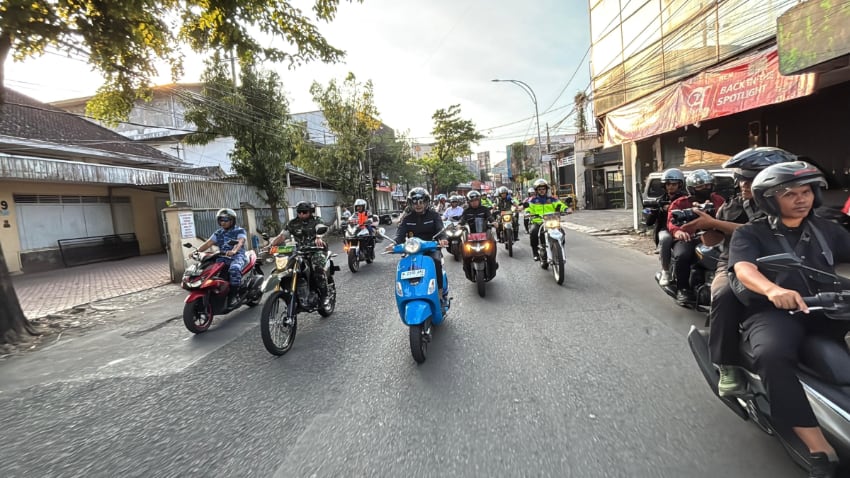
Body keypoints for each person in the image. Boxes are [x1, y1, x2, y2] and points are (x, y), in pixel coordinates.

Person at [729, 161, 850, 478]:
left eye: (807, 191)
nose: (801, 199)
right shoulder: (750, 233)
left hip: (828, 308)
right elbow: (744, 269)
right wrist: (772, 290)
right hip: (776, 313)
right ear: (770, 200)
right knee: (772, 355)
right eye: (790, 194)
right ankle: (818, 447)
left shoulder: (827, 229)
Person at [692, 147, 797, 396]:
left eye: (751, 179)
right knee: (725, 295)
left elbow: (762, 231)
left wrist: (715, 222)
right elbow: (710, 242)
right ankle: (726, 363)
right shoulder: (732, 206)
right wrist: (706, 224)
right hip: (734, 264)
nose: (743, 185)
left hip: (786, 264)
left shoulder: (788, 205)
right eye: (741, 179)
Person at [667, 169, 725, 304]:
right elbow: (671, 221)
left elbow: (727, 216)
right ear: (692, 188)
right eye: (700, 186)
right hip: (688, 236)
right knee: (683, 255)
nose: (705, 189)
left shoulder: (719, 200)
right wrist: (678, 232)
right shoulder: (680, 203)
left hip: (714, 234)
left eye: (707, 185)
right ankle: (682, 289)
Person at [390, 188, 449, 306]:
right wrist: (394, 243)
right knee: (405, 266)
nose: (418, 205)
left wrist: (443, 239)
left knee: (436, 261)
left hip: (431, 247)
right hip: (413, 250)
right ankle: (406, 293)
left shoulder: (434, 215)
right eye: (415, 202)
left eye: (421, 202)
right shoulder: (407, 219)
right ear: (411, 204)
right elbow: (400, 235)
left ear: (426, 202)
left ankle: (439, 292)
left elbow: (440, 229)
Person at [267, 201, 329, 300]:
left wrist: (318, 237)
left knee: (318, 270)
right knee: (285, 269)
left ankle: (325, 295)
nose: (301, 214)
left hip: (316, 250)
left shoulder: (317, 220)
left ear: (310, 212)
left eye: (304, 212)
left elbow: (320, 229)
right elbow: (283, 236)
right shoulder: (292, 223)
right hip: (299, 251)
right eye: (299, 212)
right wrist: (270, 245)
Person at [195, 208, 247, 308]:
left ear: (232, 220)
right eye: (221, 220)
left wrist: (234, 251)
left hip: (237, 256)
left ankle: (233, 296)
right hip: (221, 257)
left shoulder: (239, 230)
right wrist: (196, 251)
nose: (223, 222)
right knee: (208, 270)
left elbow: (240, 241)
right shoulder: (218, 233)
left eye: (226, 220)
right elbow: (208, 243)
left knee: (234, 269)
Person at [652, 168, 687, 286]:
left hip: (684, 228)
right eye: (668, 184)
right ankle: (665, 271)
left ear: (680, 184)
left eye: (674, 184)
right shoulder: (660, 200)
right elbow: (649, 222)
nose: (671, 187)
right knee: (666, 239)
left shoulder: (686, 199)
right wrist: (658, 209)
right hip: (666, 229)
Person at [525, 179, 566, 261]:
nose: (542, 191)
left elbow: (560, 205)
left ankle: (560, 249)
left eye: (543, 189)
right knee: (533, 232)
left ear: (546, 189)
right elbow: (528, 208)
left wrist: (566, 209)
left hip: (551, 221)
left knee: (562, 232)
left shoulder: (552, 199)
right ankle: (535, 253)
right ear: (536, 191)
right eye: (539, 189)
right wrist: (528, 212)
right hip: (538, 221)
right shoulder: (532, 200)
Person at [460, 190, 498, 273]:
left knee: (493, 243)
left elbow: (490, 217)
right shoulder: (466, 211)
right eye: (472, 201)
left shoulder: (484, 209)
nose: (474, 202)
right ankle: (465, 265)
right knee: (463, 246)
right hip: (471, 235)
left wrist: (494, 222)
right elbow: (462, 220)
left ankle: (493, 261)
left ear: (479, 200)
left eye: (476, 200)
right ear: (469, 202)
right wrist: (459, 225)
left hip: (483, 233)